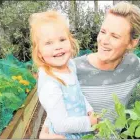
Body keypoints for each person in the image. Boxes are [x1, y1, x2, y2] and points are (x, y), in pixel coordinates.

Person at [40, 1, 140, 139]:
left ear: (132, 43)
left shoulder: (134, 66)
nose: (104, 40)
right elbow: (55, 108)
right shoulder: (72, 68)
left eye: (115, 36)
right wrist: (44, 134)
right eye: (103, 32)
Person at [29, 11, 99, 139]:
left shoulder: (70, 66)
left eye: (62, 39)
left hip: (82, 130)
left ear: (70, 42)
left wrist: (89, 109)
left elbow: (78, 94)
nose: (58, 47)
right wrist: (90, 122)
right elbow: (61, 125)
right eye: (49, 43)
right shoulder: (50, 83)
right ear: (39, 53)